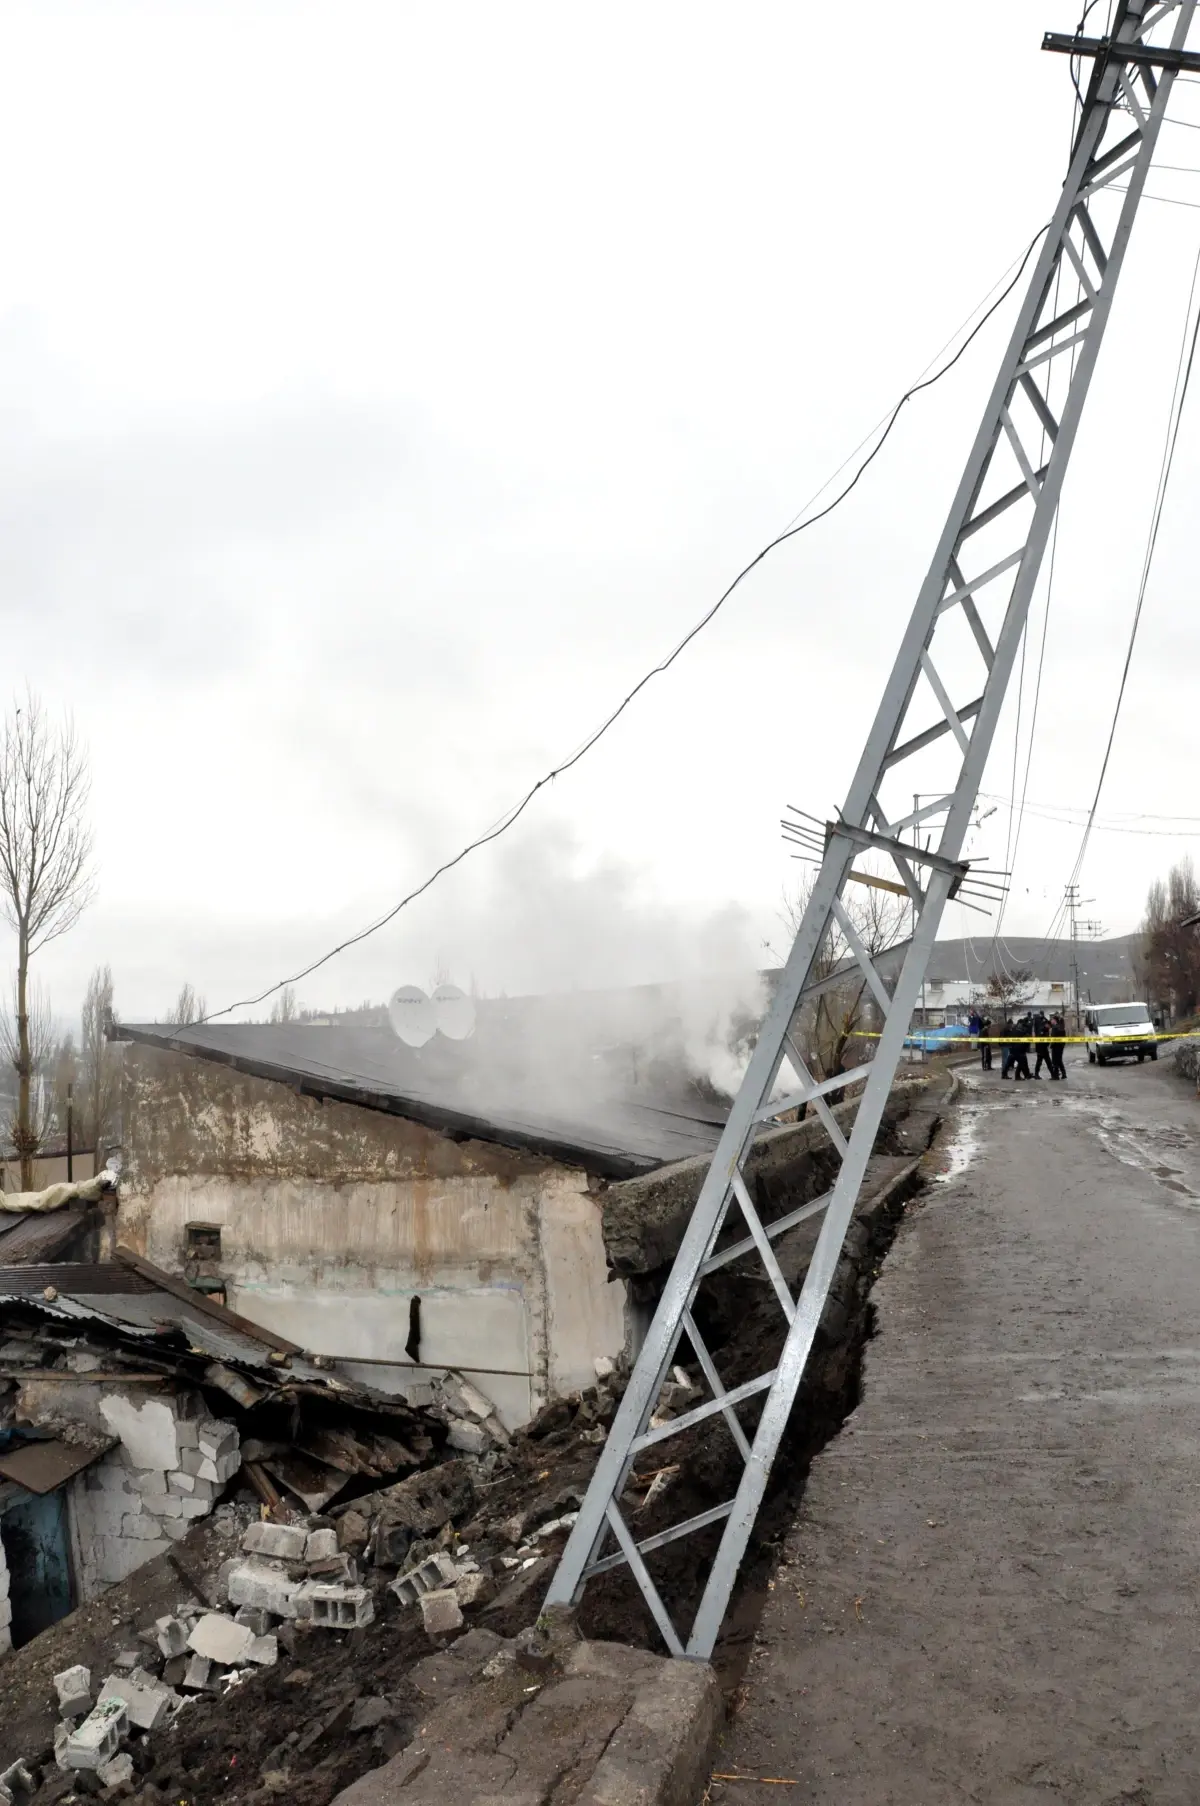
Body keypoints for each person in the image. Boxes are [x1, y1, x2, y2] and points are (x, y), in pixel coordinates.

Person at [1033, 1012, 1053, 1079]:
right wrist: (1048, 1042)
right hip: (1041, 1048)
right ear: (1047, 1025)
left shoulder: (1045, 1029)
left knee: (1042, 1062)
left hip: (1043, 1048)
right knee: (1046, 1062)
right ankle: (1052, 1074)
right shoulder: (1042, 1030)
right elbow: (1041, 1039)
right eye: (1049, 1026)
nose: (1049, 1027)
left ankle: (1036, 1074)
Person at [1050, 1012, 1067, 1082]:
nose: (1051, 1021)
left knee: (1055, 1061)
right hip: (1060, 1046)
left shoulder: (1055, 1028)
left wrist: (1051, 1045)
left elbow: (1053, 1038)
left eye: (1052, 1020)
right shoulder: (1060, 1027)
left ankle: (1056, 1076)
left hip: (1056, 1046)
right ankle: (1063, 1074)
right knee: (1059, 1060)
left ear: (1055, 1020)